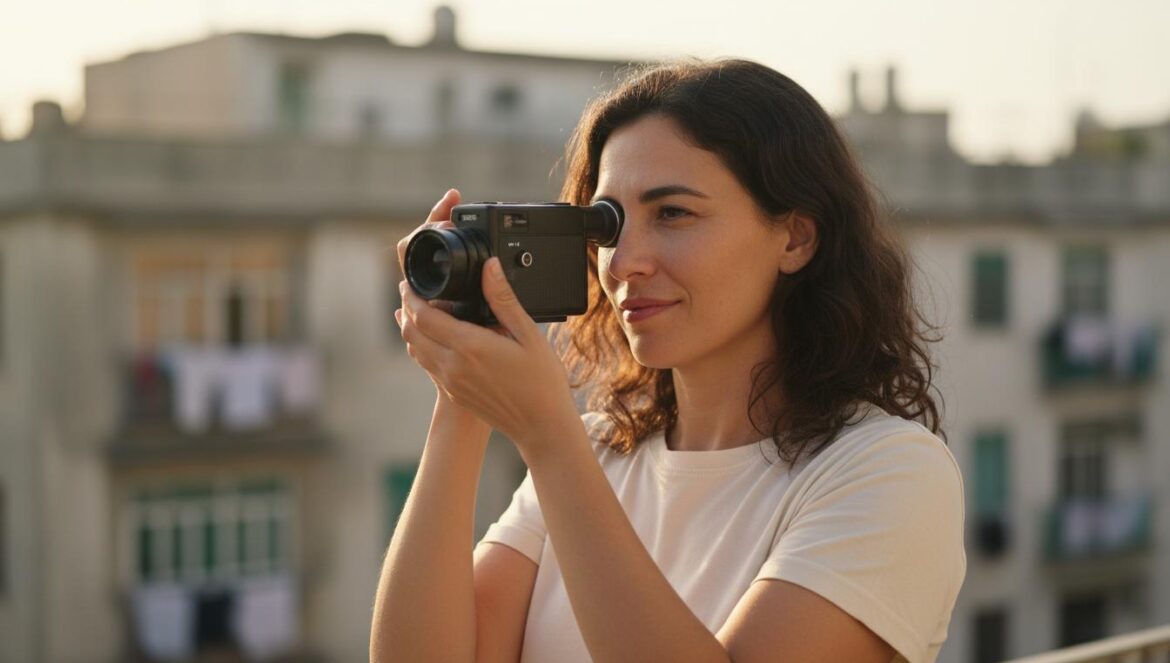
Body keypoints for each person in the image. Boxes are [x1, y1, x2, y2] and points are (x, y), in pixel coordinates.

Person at [372, 59, 966, 663]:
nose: (624, 261)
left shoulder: (888, 471)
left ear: (795, 238)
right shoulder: (597, 451)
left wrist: (548, 437)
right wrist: (461, 399)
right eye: (607, 226)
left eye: (673, 214)